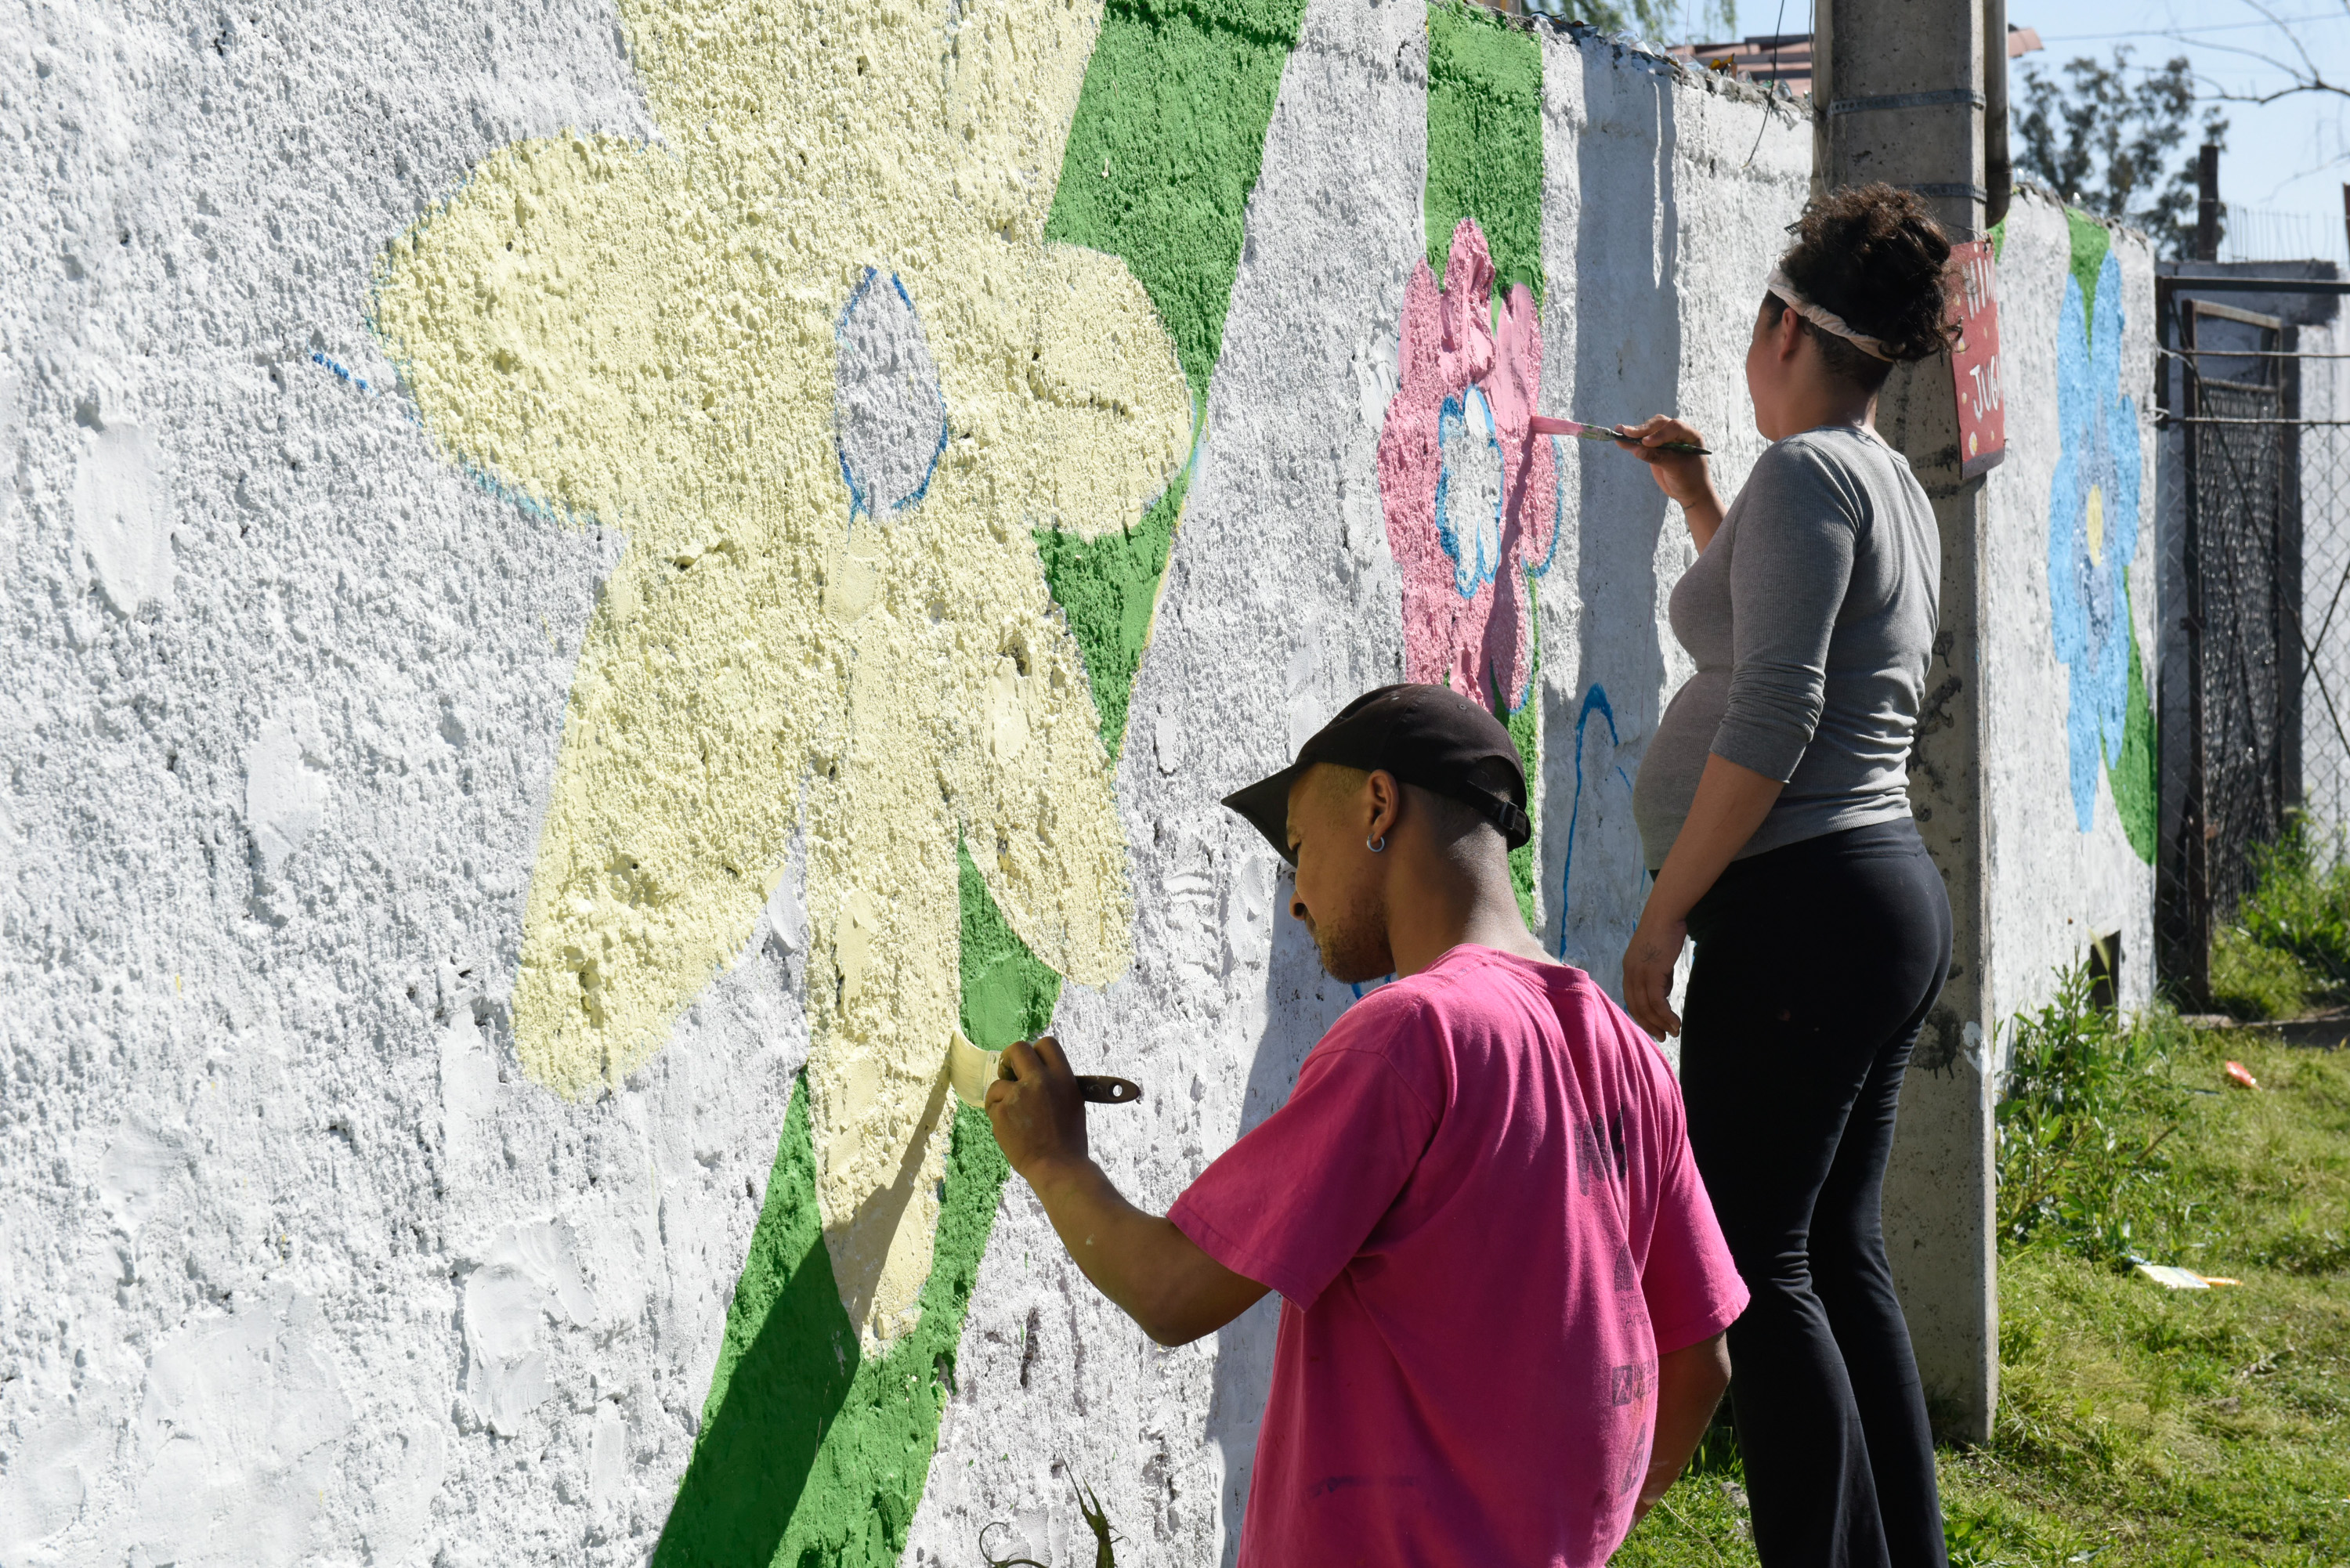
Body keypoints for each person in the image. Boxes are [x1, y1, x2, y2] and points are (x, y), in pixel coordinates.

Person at [985, 684, 1749, 1567]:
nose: (1297, 901)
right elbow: (1701, 1359)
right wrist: (1594, 1533)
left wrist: (1052, 1160)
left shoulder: (1413, 1036)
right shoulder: (1629, 1054)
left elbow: (1171, 1290)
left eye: (1302, 851)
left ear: (1379, 806)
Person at [1613, 183, 1959, 1568]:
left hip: (1807, 908)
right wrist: (1700, 497)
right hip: (1867, 903)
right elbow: (1766, 642)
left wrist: (1664, 911)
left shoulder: (1815, 475)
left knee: (1758, 1270)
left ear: (1782, 329)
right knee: (1833, 1254)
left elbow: (1773, 716)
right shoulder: (1878, 486)